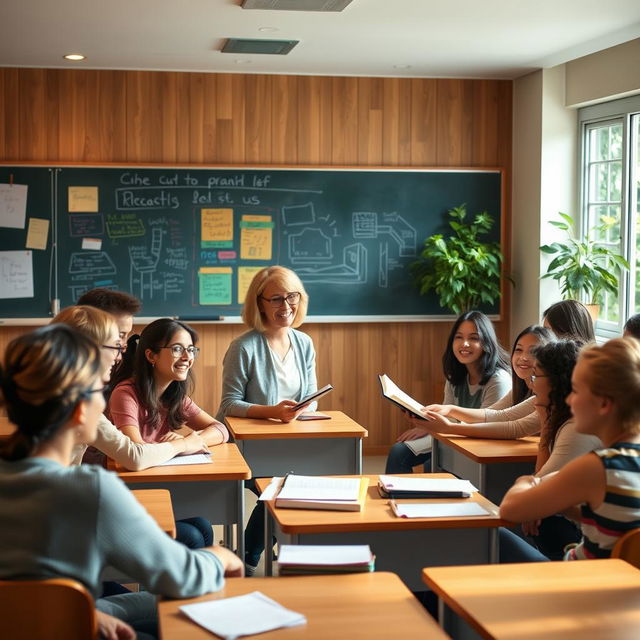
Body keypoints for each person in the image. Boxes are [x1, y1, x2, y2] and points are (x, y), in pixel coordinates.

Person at [0, 325, 242, 639]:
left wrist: (93, 613)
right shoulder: (90, 490)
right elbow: (183, 577)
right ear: (80, 410)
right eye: (98, 390)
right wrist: (220, 556)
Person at [499, 337, 640, 562]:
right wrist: (565, 504)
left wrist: (529, 481)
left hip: (581, 584)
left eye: (575, 390)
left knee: (494, 537)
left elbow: (509, 509)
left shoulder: (598, 467)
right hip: (623, 592)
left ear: (604, 404)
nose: (570, 399)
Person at [215, 266, 317, 574]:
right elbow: (228, 405)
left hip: (293, 443)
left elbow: (311, 398)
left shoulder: (304, 343)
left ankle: (260, 554)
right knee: (280, 490)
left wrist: (303, 410)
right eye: (276, 299)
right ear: (259, 303)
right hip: (248, 448)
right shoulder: (243, 347)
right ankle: (249, 557)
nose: (286, 306)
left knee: (305, 485)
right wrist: (272, 411)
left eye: (292, 297)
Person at [108, 318, 229, 549]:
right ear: (151, 356)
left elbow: (221, 429)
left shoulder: (174, 395)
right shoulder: (125, 394)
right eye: (177, 349)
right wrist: (183, 445)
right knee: (192, 536)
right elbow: (137, 452)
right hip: (128, 496)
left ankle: (197, 584)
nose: (187, 357)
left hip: (157, 486)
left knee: (203, 525)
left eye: (191, 349)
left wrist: (191, 441)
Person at [52, 306, 207, 470]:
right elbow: (135, 457)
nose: (119, 357)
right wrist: (185, 444)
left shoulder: (56, 388)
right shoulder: (80, 402)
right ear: (90, 351)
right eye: (115, 347)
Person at [385, 310, 511, 475]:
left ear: (487, 343)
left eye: (473, 338)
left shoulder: (498, 379)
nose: (464, 344)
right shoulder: (456, 376)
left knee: (432, 462)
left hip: (479, 440)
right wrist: (426, 424)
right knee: (399, 451)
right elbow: (448, 415)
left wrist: (436, 427)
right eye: (459, 337)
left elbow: (488, 424)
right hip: (452, 434)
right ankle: (398, 499)